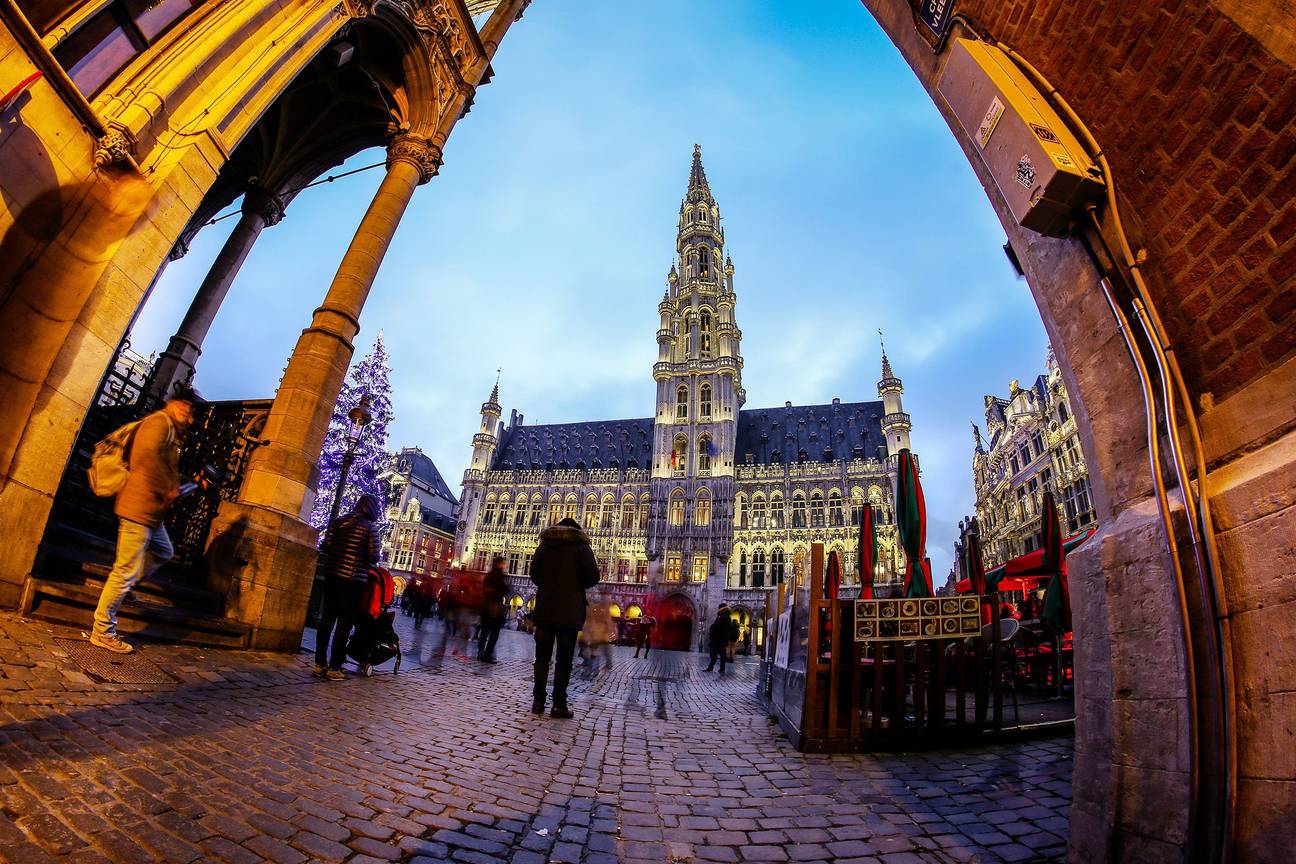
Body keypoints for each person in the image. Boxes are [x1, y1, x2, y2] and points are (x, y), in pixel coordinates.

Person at [91, 385, 202, 653]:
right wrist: (168, 488)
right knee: (124, 570)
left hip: (152, 512)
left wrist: (184, 484)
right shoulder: (158, 424)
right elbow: (145, 458)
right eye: (189, 410)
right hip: (139, 507)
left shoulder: (172, 432)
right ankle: (102, 630)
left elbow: (162, 464)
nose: (191, 417)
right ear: (178, 405)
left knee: (164, 552)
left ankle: (126, 587)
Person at [529, 517, 599, 718]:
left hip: (545, 608)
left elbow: (534, 574)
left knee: (541, 658)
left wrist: (548, 586)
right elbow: (593, 576)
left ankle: (538, 701)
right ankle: (559, 704)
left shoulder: (545, 545)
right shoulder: (580, 546)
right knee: (564, 660)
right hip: (569, 610)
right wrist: (575, 585)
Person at [314, 494, 381, 680]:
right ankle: (335, 667)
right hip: (353, 581)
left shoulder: (339, 521)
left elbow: (325, 545)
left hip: (332, 575)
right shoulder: (370, 528)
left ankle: (319, 663)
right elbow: (374, 556)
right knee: (344, 623)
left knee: (327, 619)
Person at [478, 556, 508, 663]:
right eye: (503, 563)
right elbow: (504, 589)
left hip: (486, 605)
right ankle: (488, 654)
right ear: (498, 564)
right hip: (495, 606)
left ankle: (480, 651)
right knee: (494, 632)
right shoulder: (498, 575)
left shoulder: (489, 575)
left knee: (485, 630)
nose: (505, 565)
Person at [704, 605, 731, 673]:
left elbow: (719, 627)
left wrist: (713, 628)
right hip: (719, 639)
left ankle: (718, 668)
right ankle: (715, 667)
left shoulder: (724, 617)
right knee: (718, 654)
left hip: (719, 639)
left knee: (718, 654)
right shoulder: (723, 617)